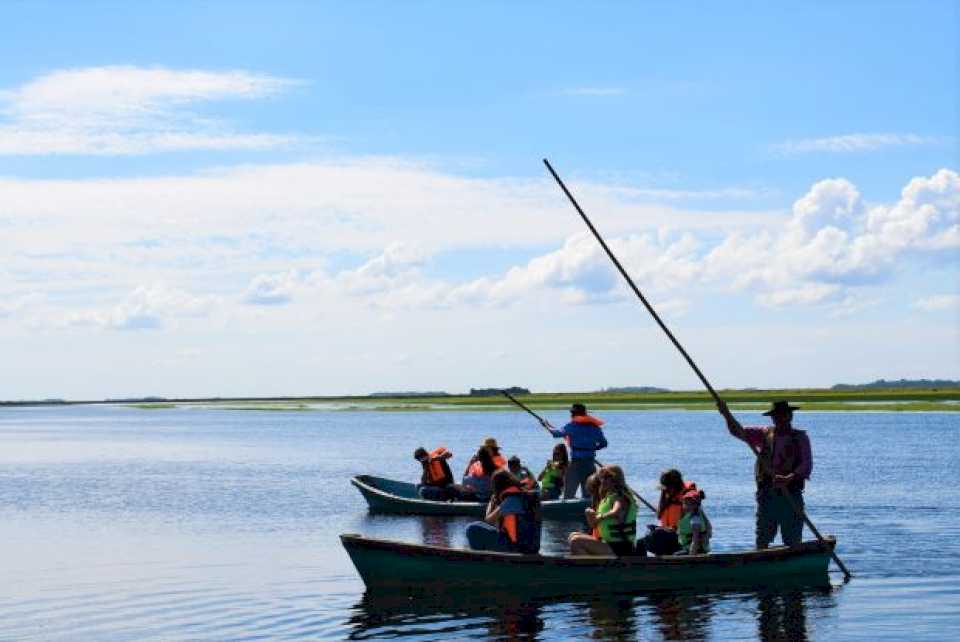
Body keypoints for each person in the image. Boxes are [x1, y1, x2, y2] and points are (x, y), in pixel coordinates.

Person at [718, 399, 813, 549]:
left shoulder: (800, 438)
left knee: (793, 539)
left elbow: (806, 465)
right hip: (768, 494)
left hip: (791, 495)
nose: (779, 419)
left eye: (783, 415)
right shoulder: (764, 434)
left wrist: (789, 478)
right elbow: (738, 431)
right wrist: (726, 414)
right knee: (762, 538)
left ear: (790, 416)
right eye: (776, 416)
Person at [465, 469, 542, 553]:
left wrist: (491, 502)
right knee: (479, 524)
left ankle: (480, 558)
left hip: (516, 547)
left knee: (472, 528)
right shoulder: (522, 496)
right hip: (529, 546)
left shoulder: (511, 500)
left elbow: (488, 520)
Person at [568, 465, 637, 556]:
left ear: (615, 480)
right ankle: (591, 565)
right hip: (609, 543)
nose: (602, 480)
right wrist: (591, 516)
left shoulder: (620, 497)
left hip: (620, 547)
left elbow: (617, 511)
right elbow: (595, 525)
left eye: (606, 477)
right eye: (602, 477)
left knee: (576, 542)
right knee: (573, 535)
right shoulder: (609, 497)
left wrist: (599, 517)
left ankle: (590, 569)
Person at [547, 403, 608, 499]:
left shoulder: (572, 426)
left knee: (568, 495)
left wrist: (546, 426)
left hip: (576, 464)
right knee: (588, 495)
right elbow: (604, 444)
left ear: (573, 414)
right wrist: (592, 448)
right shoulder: (595, 427)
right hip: (590, 463)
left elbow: (555, 433)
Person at [635, 469, 697, 556]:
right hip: (667, 536)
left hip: (681, 539)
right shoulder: (666, 495)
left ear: (675, 485)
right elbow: (660, 516)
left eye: (668, 487)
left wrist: (668, 530)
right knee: (640, 543)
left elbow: (688, 523)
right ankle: (642, 567)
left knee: (657, 536)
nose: (666, 490)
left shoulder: (687, 499)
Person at [675, 489, 711, 555]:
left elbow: (695, 540)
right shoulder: (690, 515)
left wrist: (692, 556)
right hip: (686, 546)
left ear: (696, 506)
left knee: (675, 555)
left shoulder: (695, 519)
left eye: (690, 504)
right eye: (685, 503)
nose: (686, 506)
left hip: (695, 550)